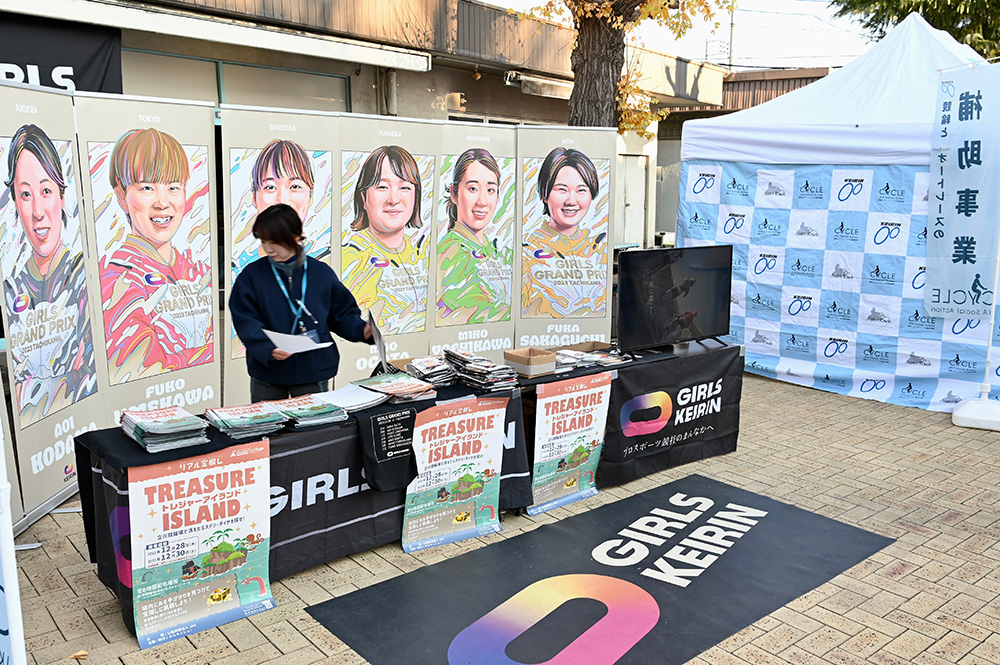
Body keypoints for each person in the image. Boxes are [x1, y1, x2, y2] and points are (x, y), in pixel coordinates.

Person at [99, 127, 213, 383]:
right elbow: (139, 370)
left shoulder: (198, 271)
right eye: (148, 188)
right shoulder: (115, 279)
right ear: (121, 194)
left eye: (174, 187)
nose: (163, 202)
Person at [230, 203, 372, 401]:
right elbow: (245, 320)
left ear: (297, 237)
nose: (269, 249)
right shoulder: (251, 277)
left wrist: (360, 329)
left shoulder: (320, 273)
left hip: (313, 369)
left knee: (314, 428)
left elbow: (341, 314)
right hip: (269, 371)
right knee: (270, 427)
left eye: (275, 242)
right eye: (264, 241)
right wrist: (267, 347)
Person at [3, 124, 96, 425]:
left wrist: (30, 386)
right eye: (26, 194)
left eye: (46, 191)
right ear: (15, 203)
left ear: (62, 195)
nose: (38, 211)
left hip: (84, 428)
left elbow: (91, 380)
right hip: (37, 449)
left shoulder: (85, 275)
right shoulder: (9, 289)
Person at [341, 145, 428, 334]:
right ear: (363, 197)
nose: (394, 199)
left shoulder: (426, 256)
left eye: (405, 187)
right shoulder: (346, 260)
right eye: (382, 187)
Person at [521, 147, 607, 317]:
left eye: (581, 190)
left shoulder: (599, 249)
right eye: (562, 189)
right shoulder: (526, 251)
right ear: (544, 194)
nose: (571, 201)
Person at [436, 148, 512, 324]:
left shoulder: (497, 251)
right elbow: (476, 313)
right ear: (454, 193)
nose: (482, 201)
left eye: (490, 190)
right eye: (472, 188)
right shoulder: (451, 251)